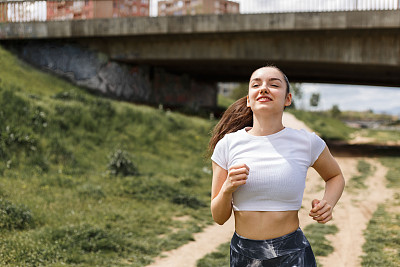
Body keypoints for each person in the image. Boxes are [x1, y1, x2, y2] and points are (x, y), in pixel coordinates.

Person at [209, 65, 345, 266]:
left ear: (287, 99)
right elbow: (219, 217)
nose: (264, 88)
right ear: (249, 99)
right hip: (243, 255)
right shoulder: (227, 145)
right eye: (256, 85)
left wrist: (329, 203)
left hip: (293, 254)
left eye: (274, 84)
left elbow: (335, 176)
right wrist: (228, 188)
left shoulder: (307, 142)